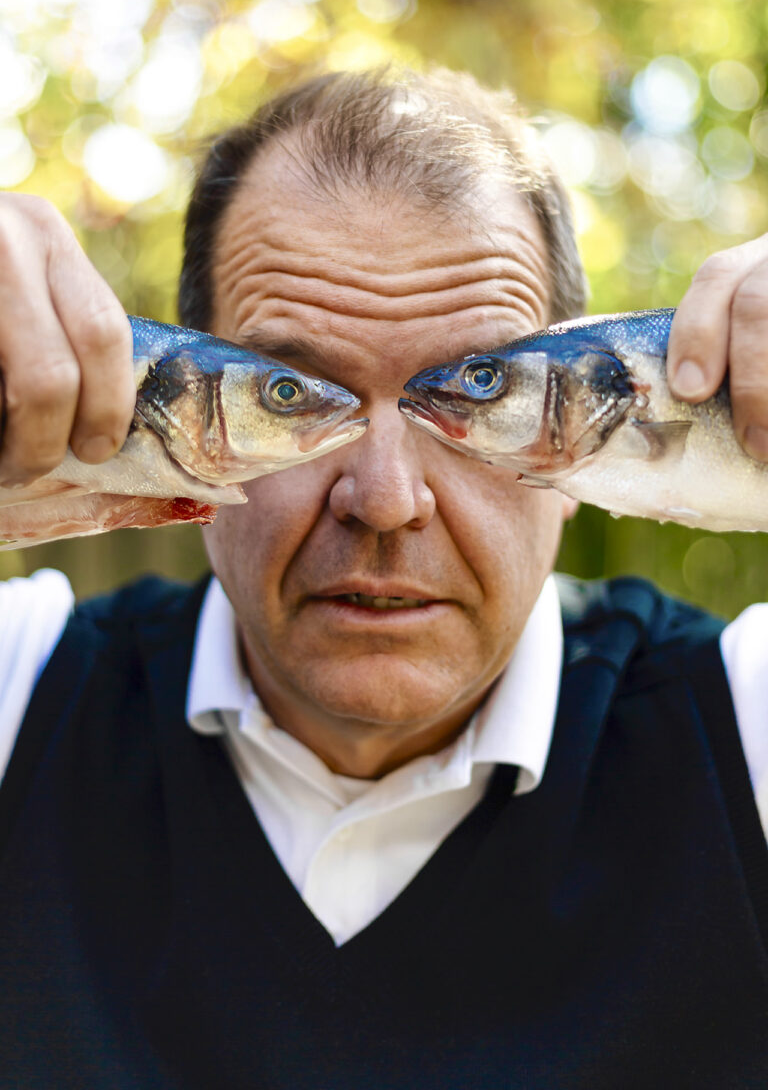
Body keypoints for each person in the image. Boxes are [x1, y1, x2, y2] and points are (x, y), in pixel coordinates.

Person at [0, 68, 767, 1089]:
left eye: (479, 398)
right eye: (292, 395)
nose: (385, 496)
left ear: (589, 458)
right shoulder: (21, 692)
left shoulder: (745, 731)